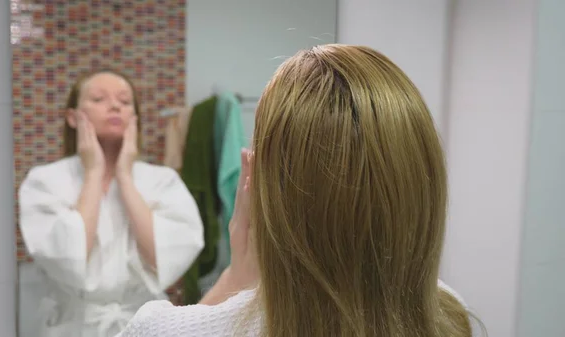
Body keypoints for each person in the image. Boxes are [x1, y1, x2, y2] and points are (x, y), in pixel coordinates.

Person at [117, 45, 476, 337]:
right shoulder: (449, 314)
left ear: (256, 183)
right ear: (420, 184)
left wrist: (233, 279)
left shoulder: (164, 330)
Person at [18, 69, 205, 337]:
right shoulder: (45, 181)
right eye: (98, 99)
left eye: (125, 101)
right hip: (74, 326)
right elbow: (69, 255)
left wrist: (125, 177)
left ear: (134, 118)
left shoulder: (163, 181)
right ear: (72, 117)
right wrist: (94, 172)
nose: (115, 105)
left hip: (144, 323)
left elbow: (162, 259)